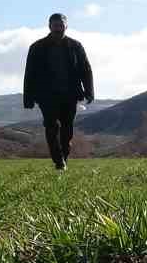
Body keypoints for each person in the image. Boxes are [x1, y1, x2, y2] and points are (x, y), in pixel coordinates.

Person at [23, 12, 95, 171]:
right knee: (51, 126)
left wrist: (89, 91)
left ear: (66, 26)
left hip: (70, 94)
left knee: (67, 129)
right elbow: (29, 73)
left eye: (61, 25)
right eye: (55, 25)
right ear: (49, 26)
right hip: (46, 95)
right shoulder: (37, 47)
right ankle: (58, 161)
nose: (58, 28)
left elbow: (86, 69)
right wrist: (28, 97)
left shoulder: (76, 46)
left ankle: (64, 157)